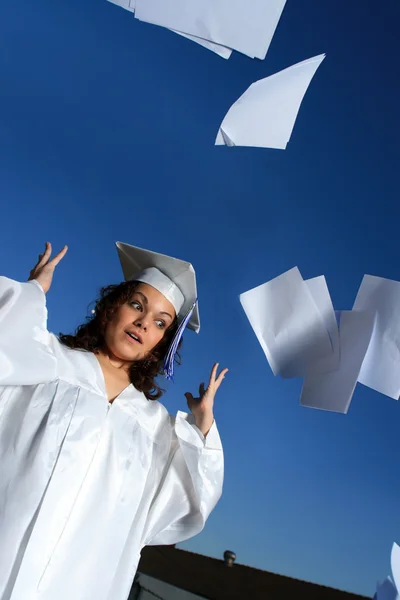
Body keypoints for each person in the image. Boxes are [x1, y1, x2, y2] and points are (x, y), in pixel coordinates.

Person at [0, 241, 227, 600]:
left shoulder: (155, 429)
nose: (142, 323)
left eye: (160, 323)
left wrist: (200, 429)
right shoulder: (44, 362)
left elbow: (185, 506)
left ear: (161, 343)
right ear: (110, 308)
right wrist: (32, 294)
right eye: (137, 305)